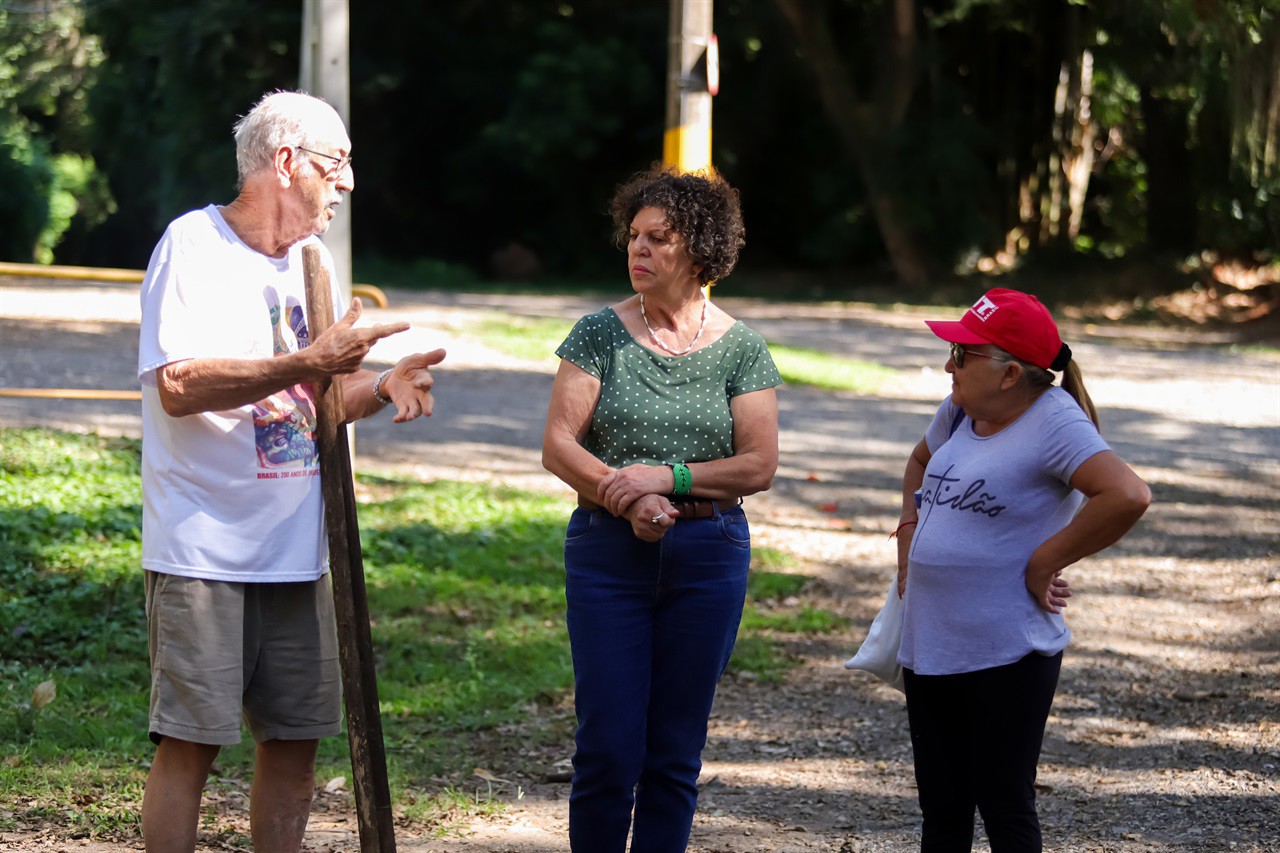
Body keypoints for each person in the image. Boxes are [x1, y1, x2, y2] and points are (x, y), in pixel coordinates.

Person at [136, 91, 446, 852]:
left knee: (298, 739)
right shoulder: (194, 246)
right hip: (204, 549)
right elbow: (177, 385)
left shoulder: (314, 266)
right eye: (337, 163)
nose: (347, 182)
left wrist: (379, 386)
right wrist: (309, 361)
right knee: (192, 743)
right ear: (286, 162)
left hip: (299, 550)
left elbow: (318, 395)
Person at [541, 165, 782, 852]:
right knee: (609, 746)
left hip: (710, 554)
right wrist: (628, 494)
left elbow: (758, 463)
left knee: (675, 752)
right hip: (607, 552)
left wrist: (669, 476)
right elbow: (559, 445)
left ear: (701, 252)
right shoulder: (598, 334)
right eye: (634, 236)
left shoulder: (741, 347)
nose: (637, 250)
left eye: (659, 239)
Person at [893, 287, 1151, 851]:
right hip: (932, 640)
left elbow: (1127, 494)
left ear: (1010, 374)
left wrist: (1046, 559)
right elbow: (919, 461)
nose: (948, 364)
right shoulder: (963, 408)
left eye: (962, 354)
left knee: (1003, 802)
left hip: (1006, 650)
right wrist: (909, 538)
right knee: (942, 807)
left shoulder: (1054, 422)